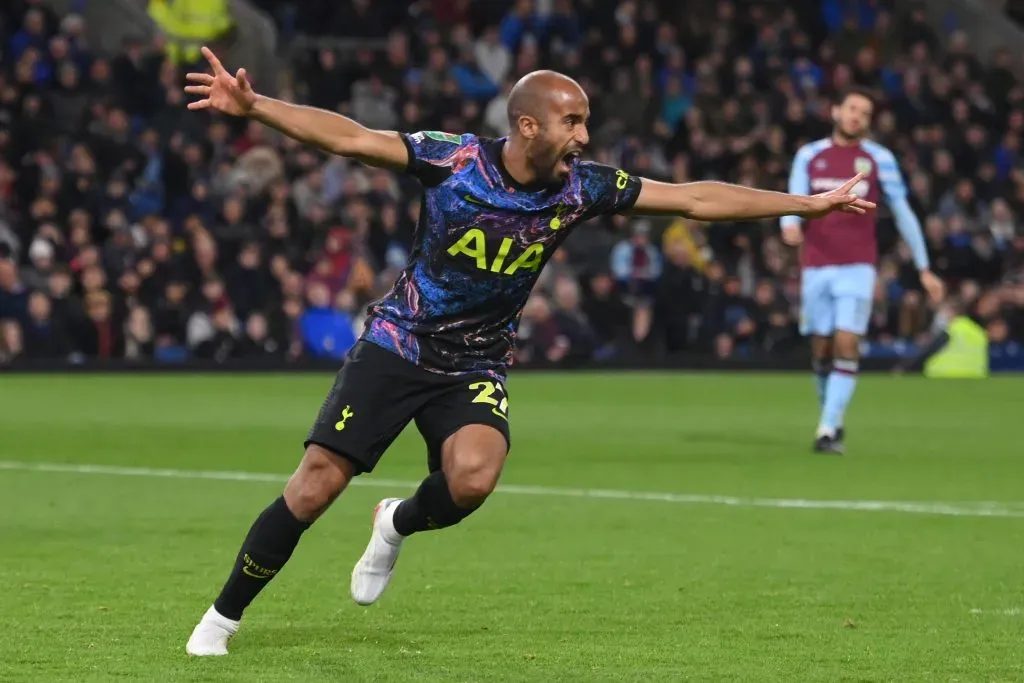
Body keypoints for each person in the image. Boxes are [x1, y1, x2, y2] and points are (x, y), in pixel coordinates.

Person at [183, 46, 874, 656]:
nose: (585, 133)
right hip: (399, 344)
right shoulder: (452, 159)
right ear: (528, 125)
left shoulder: (583, 187)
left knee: (473, 481)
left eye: (585, 120)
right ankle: (221, 616)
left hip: (475, 362)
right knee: (315, 487)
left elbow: (693, 199)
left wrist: (801, 206)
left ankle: (395, 520)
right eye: (572, 121)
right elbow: (353, 139)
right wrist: (257, 107)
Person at [780, 87, 945, 455]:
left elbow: (903, 212)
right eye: (852, 108)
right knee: (821, 349)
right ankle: (831, 419)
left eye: (865, 113)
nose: (857, 116)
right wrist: (788, 224)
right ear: (836, 111)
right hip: (816, 266)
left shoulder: (879, 159)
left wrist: (924, 267)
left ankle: (828, 427)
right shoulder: (810, 155)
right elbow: (793, 198)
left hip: (857, 266)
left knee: (847, 341)